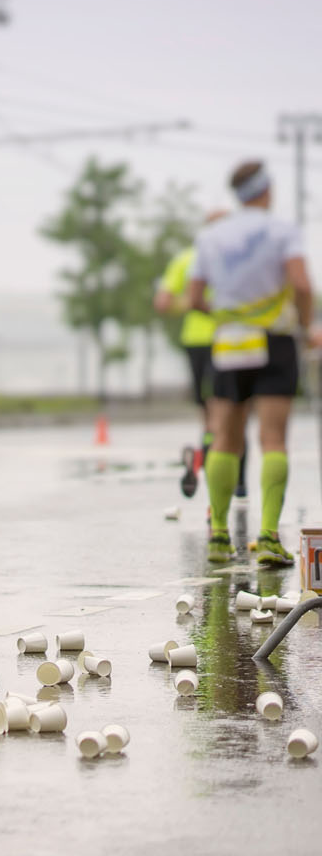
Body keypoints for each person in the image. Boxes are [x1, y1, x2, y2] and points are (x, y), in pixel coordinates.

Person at [188, 160, 319, 567]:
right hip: (275, 341)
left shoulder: (210, 235)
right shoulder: (282, 231)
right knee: (273, 438)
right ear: (266, 190)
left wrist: (229, 318)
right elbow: (300, 284)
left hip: (229, 342)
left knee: (225, 436)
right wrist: (307, 323)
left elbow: (194, 297)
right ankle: (266, 537)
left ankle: (219, 536)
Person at [154, 209, 239, 501]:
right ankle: (232, 480)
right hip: (228, 338)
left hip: (195, 340)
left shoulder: (185, 258)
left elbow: (163, 303)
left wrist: (190, 303)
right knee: (229, 413)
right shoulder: (235, 258)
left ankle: (202, 456)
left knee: (207, 413)